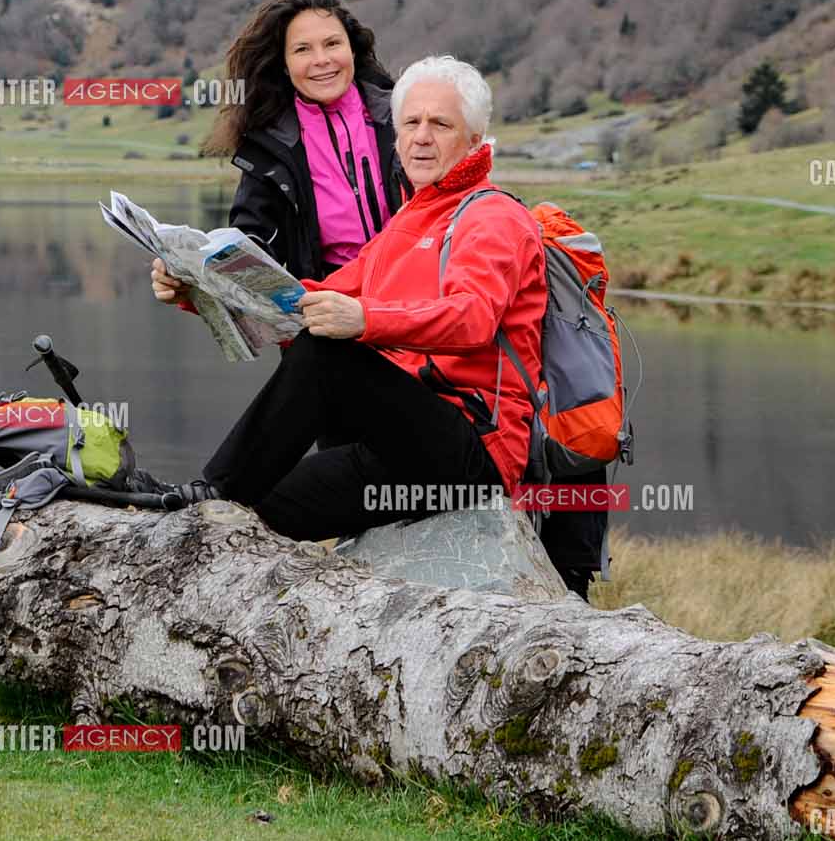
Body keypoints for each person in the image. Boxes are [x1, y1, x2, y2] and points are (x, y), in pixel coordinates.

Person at [152, 56, 548, 551]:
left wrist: (365, 320)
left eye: (440, 124)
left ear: (474, 140)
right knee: (261, 509)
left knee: (324, 353)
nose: (422, 137)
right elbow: (304, 302)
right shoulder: (410, 220)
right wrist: (199, 289)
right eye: (411, 123)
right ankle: (216, 505)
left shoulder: (494, 218)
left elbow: (474, 318)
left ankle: (215, 490)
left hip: (474, 453)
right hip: (401, 449)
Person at [201, 0, 407, 282]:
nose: (321, 59)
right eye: (302, 49)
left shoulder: (406, 115)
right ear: (284, 65)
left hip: (413, 291)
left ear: (352, 48)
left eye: (332, 43)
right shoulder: (271, 147)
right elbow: (253, 246)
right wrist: (189, 280)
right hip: (328, 300)